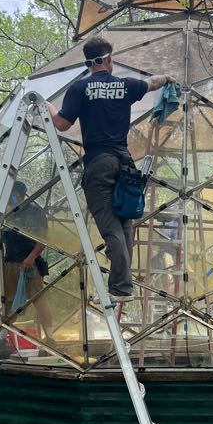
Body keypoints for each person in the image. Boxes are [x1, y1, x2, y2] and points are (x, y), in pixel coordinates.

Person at [47, 36, 175, 301]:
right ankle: (122, 285)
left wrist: (48, 107)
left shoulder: (80, 89)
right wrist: (166, 77)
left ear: (89, 62)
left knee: (109, 226)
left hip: (99, 162)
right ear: (108, 59)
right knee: (125, 222)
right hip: (125, 162)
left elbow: (61, 124)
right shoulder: (126, 86)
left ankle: (121, 287)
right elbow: (151, 83)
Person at [2, 180, 53, 337]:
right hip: (10, 262)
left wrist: (31, 257)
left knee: (38, 299)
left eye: (11, 194)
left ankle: (50, 336)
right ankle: (2, 335)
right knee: (9, 300)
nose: (8, 198)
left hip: (30, 264)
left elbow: (43, 238)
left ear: (18, 194)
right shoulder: (7, 213)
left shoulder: (35, 212)